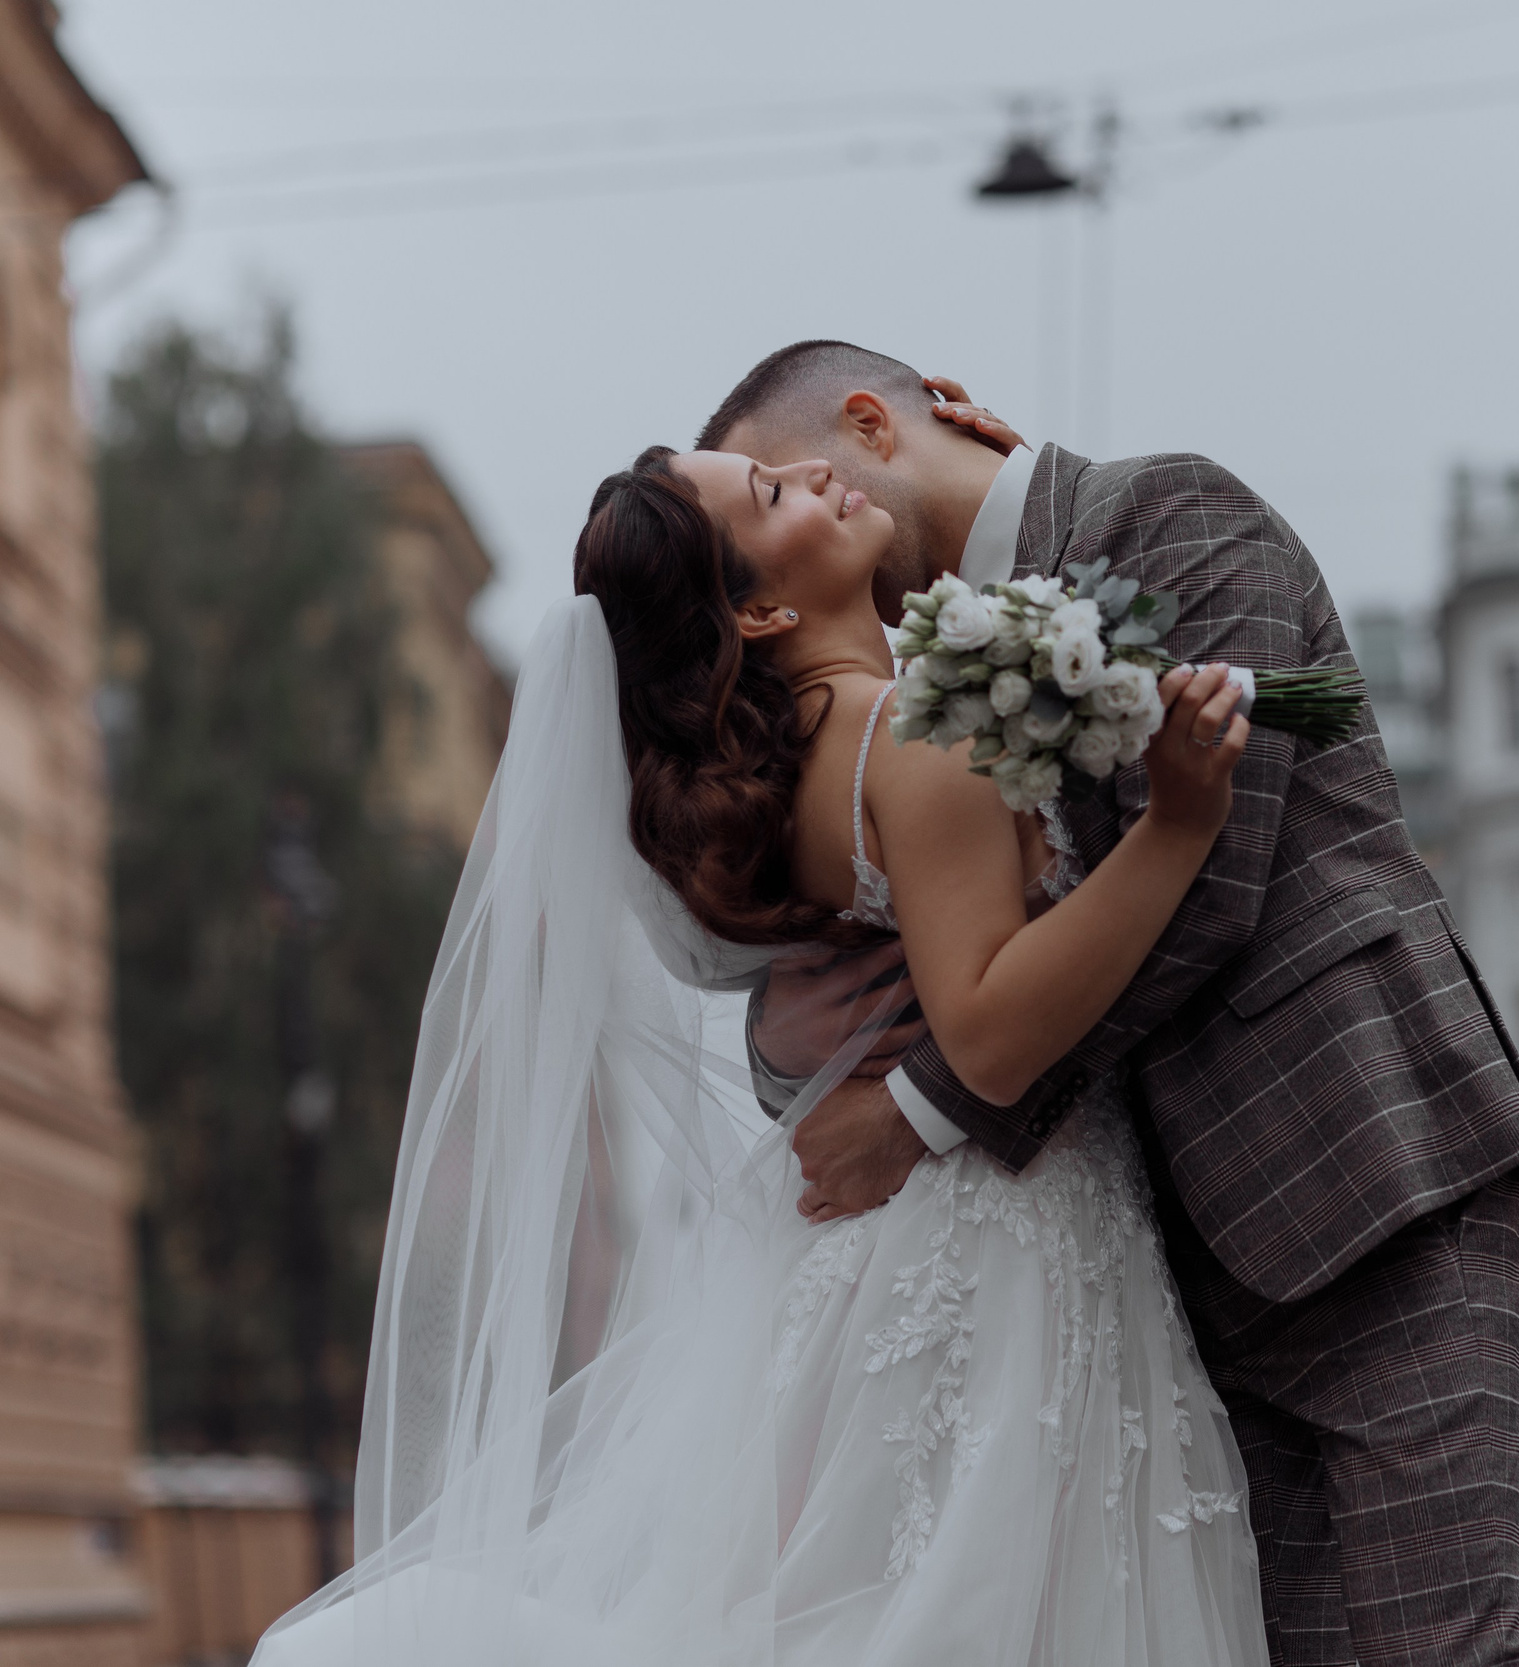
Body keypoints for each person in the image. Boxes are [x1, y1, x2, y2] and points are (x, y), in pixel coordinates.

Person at [254, 437, 1275, 1659]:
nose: (815, 470)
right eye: (776, 493)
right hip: (1000, 1253)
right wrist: (1179, 822)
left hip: (896, 1258)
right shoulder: (912, 736)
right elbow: (992, 1033)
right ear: (767, 607)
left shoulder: (808, 776)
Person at [726, 341, 1519, 1666]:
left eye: (779, 486)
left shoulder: (1169, 512)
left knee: (1448, 1645)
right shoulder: (914, 699)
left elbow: (1209, 885)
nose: (763, 553)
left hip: (1367, 1167)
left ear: (875, 422)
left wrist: (925, 1108)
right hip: (1178, 1258)